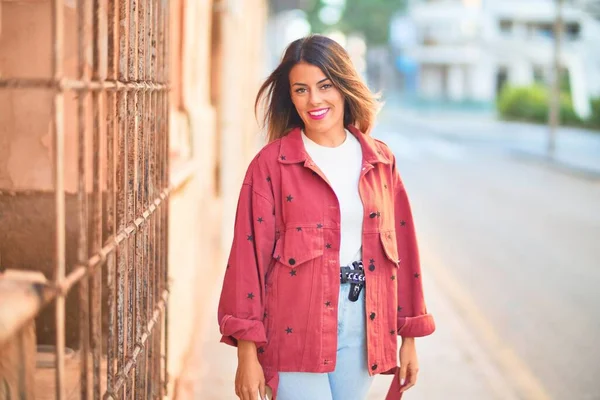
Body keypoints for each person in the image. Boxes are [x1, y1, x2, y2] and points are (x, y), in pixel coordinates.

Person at [217, 34, 435, 400]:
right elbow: (247, 259)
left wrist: (408, 337)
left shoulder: (380, 161)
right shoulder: (271, 166)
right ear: (291, 97)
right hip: (293, 326)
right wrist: (246, 351)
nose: (314, 100)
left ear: (344, 86)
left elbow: (402, 252)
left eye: (325, 86)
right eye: (301, 90)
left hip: (364, 326)